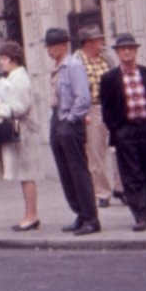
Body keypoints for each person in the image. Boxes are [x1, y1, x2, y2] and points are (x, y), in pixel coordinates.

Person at [99, 33, 146, 232]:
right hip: (126, 129)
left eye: (130, 48)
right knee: (132, 174)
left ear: (136, 51)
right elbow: (107, 107)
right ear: (117, 53)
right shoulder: (109, 78)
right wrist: (117, 129)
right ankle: (140, 215)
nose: (127, 52)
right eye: (122, 49)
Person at [45, 27, 99, 235]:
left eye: (53, 46)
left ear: (63, 45)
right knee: (65, 172)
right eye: (48, 46)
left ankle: (91, 218)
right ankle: (80, 213)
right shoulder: (58, 67)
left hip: (69, 122)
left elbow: (83, 98)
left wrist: (70, 120)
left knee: (78, 171)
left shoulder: (73, 65)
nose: (49, 50)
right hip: (57, 119)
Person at [0, 41, 46, 230]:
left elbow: (20, 107)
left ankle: (32, 216)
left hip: (25, 131)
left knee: (27, 174)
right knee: (24, 174)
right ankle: (29, 214)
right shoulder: (14, 77)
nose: (1, 63)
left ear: (14, 60)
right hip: (21, 130)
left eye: (4, 59)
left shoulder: (20, 79)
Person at [75, 25, 123, 208]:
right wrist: (82, 113)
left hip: (112, 106)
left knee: (119, 147)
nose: (102, 43)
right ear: (88, 43)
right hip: (92, 108)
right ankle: (102, 192)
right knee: (96, 152)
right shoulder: (77, 60)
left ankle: (121, 188)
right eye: (98, 40)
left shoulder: (106, 57)